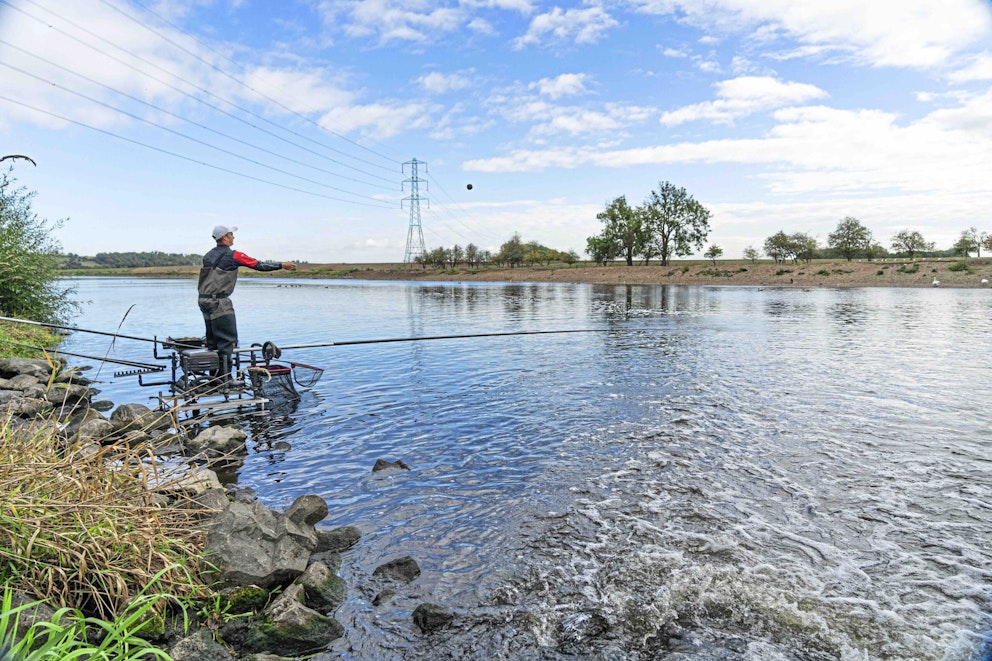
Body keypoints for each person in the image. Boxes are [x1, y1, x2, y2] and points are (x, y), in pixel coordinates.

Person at [198, 225, 296, 387]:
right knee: (227, 341)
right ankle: (226, 380)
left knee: (212, 341)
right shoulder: (233, 255)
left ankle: (214, 379)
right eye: (231, 235)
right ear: (225, 237)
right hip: (219, 302)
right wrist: (281, 265)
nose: (233, 238)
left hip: (204, 300)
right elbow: (258, 265)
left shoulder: (208, 256)